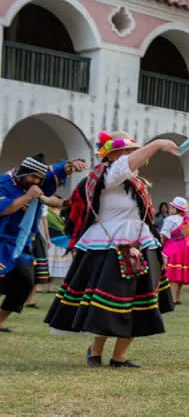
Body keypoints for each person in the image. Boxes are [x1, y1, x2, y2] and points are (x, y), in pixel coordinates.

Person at [46, 131, 177, 367]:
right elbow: (124, 167)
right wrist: (157, 144)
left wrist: (158, 248)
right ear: (113, 154)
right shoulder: (105, 176)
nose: (134, 156)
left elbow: (144, 217)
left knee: (140, 302)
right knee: (109, 302)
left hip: (142, 243)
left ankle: (120, 356)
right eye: (128, 151)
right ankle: (95, 351)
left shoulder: (136, 183)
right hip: (109, 245)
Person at [0, 154, 86, 332]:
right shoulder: (4, 184)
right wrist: (28, 197)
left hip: (19, 243)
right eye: (33, 177)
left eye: (40, 179)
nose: (37, 182)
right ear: (22, 174)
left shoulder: (34, 181)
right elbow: (5, 209)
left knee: (25, 281)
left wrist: (71, 166)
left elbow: (55, 172)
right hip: (2, 240)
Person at [161, 197, 189, 304]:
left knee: (173, 276)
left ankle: (171, 299)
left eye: (172, 207)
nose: (170, 209)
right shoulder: (187, 220)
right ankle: (177, 298)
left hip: (173, 248)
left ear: (176, 209)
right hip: (184, 249)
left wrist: (160, 246)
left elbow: (164, 235)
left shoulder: (170, 219)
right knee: (179, 274)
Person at [46, 196, 73, 293]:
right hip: (51, 239)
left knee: (57, 263)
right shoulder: (46, 212)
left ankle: (51, 286)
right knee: (48, 263)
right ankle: (39, 286)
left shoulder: (65, 212)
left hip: (64, 240)